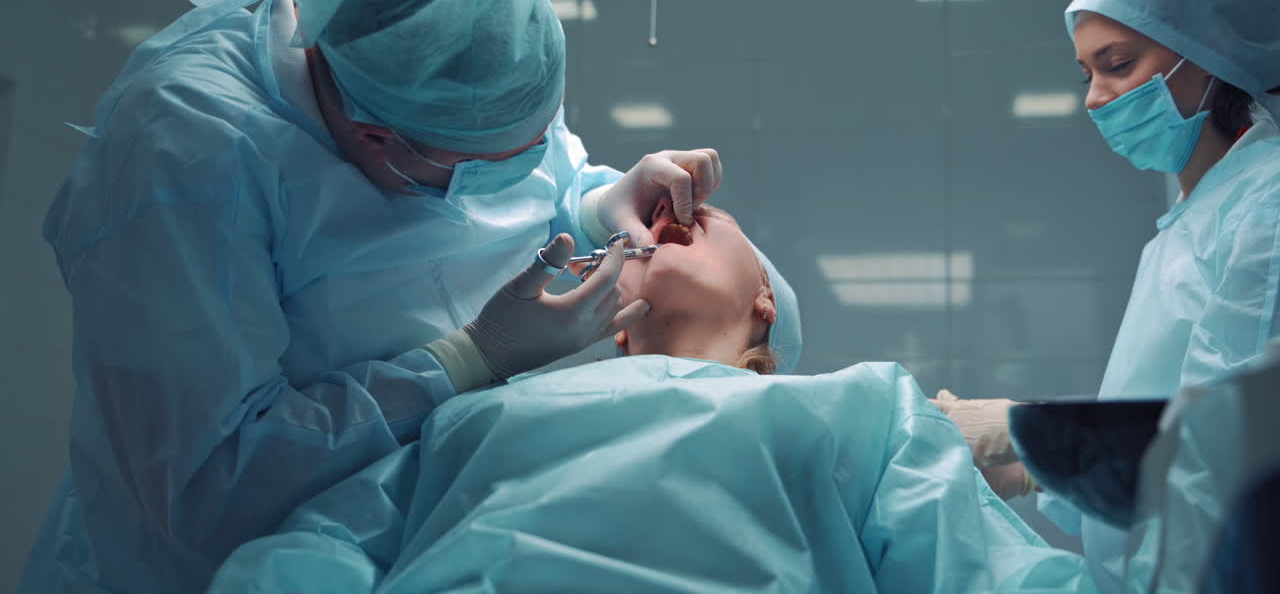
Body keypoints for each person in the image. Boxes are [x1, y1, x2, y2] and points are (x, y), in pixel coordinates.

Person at [17, 0, 724, 592]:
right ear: (374, 138)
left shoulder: (475, 48)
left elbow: (532, 176)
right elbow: (207, 489)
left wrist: (598, 202)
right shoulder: (187, 153)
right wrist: (465, 360)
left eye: (539, 140)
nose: (523, 173)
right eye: (479, 171)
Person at [206, 205, 1099, 594]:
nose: (676, 216)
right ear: (618, 325)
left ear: (763, 305)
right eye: (647, 235)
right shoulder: (476, 416)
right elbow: (312, 550)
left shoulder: (858, 412)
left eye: (714, 224)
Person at [934, 0, 1280, 593]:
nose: (1093, 97)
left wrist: (1023, 431)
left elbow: (1225, 446)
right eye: (1087, 72)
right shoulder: (1187, 225)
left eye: (1117, 63)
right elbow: (1158, 434)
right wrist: (1036, 468)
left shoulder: (1265, 202)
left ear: (1210, 55)